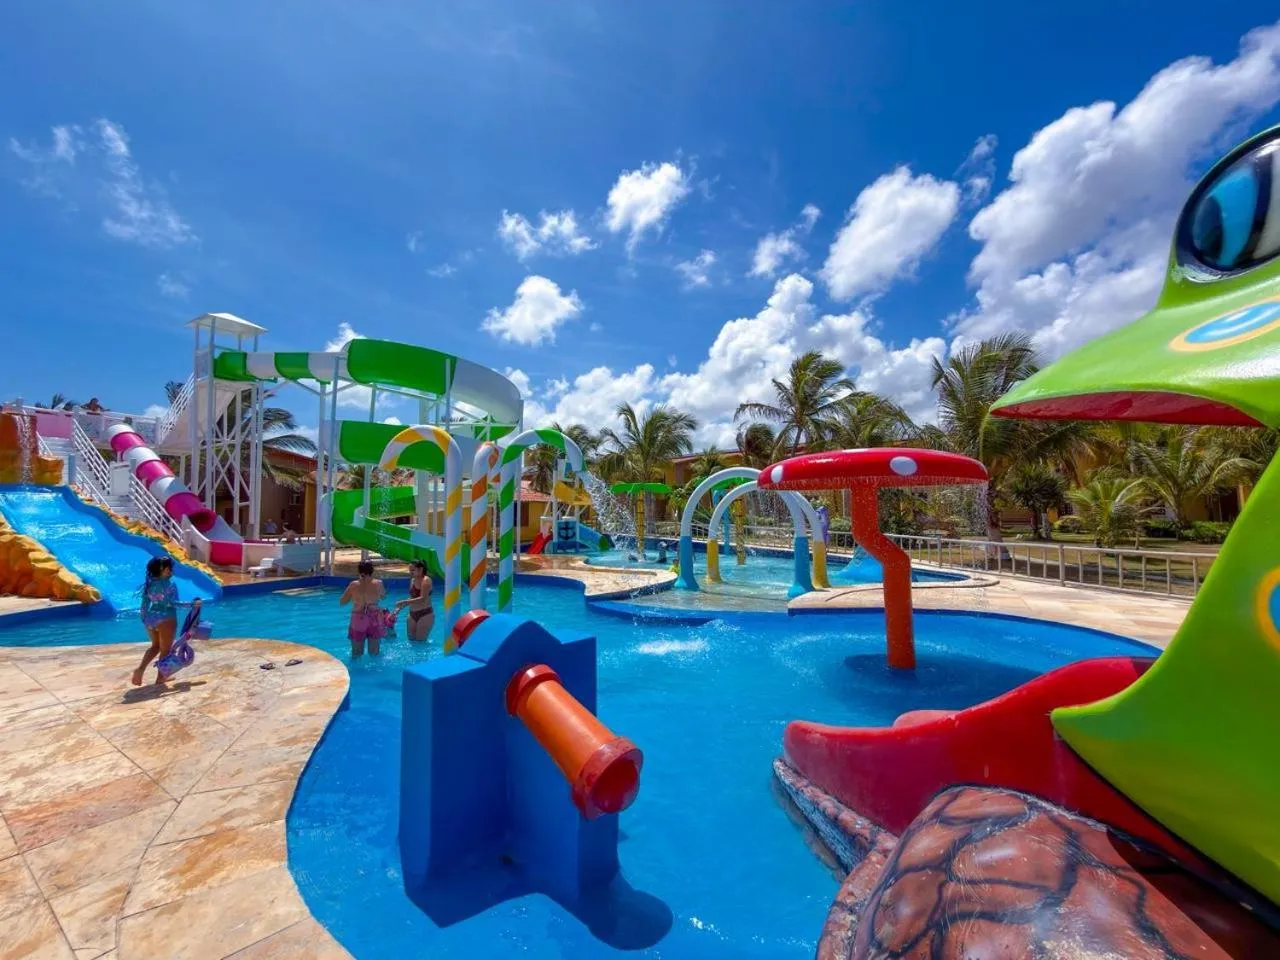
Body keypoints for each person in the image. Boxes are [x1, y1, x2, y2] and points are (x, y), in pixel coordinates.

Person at [132, 556, 201, 686]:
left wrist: (145, 620)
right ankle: (160, 678)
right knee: (166, 650)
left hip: (150, 618)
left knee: (155, 646)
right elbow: (174, 603)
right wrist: (192, 605)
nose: (172, 571)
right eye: (170, 568)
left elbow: (144, 605)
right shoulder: (170, 584)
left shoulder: (149, 583)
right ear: (163, 569)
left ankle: (140, 669)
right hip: (166, 618)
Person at [341, 560, 387, 657]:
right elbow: (383, 596)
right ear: (372, 570)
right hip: (374, 617)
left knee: (357, 654)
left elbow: (342, 602)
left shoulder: (353, 584)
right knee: (374, 653)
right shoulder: (378, 583)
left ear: (359, 571)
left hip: (358, 618)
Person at [394, 558, 435, 642]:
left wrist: (404, 601)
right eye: (409, 570)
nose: (410, 572)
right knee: (411, 641)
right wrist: (399, 608)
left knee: (420, 643)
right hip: (412, 614)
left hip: (425, 614)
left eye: (413, 570)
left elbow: (422, 598)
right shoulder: (412, 580)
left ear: (420, 569)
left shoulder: (426, 580)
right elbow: (412, 598)